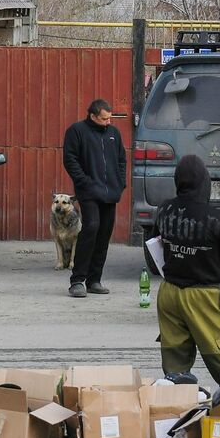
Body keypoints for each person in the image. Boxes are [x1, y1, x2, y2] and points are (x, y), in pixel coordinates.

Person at [153, 155, 220, 385]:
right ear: (206, 183)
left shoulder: (164, 209)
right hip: (202, 294)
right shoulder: (218, 219)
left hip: (169, 292)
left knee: (174, 358)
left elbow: (156, 245)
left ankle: (175, 404)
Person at [62, 98, 127, 298]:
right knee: (91, 228)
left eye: (109, 118)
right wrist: (85, 182)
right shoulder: (77, 131)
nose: (108, 122)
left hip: (110, 193)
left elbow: (121, 159)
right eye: (104, 119)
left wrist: (120, 182)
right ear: (92, 116)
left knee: (104, 233)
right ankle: (77, 280)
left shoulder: (114, 134)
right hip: (89, 192)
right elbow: (70, 160)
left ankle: (94, 279)